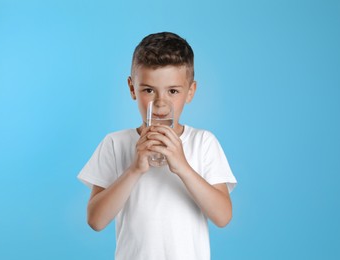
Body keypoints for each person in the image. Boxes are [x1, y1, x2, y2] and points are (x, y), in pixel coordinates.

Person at [77, 32, 237, 260]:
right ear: (133, 89)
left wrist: (182, 166)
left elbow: (223, 216)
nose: (160, 103)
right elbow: (95, 220)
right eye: (148, 90)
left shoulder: (204, 143)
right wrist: (135, 169)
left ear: (190, 91)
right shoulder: (115, 144)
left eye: (173, 91)